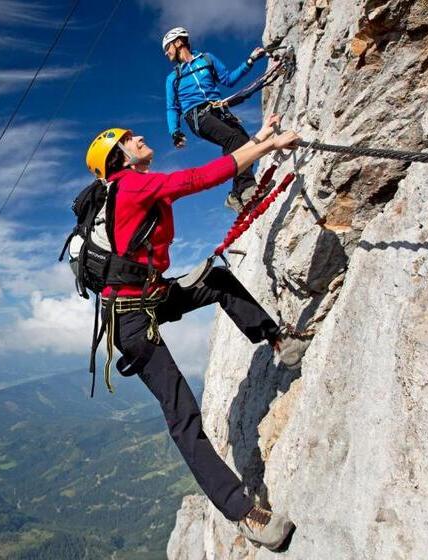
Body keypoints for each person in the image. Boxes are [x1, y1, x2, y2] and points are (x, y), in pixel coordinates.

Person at [84, 114, 310, 550]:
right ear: (120, 158)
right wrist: (266, 148)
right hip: (132, 319)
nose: (140, 138)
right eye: (130, 139)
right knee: (183, 414)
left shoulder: (130, 188)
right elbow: (198, 178)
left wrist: (259, 138)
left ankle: (279, 342)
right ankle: (244, 514)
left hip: (148, 297)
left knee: (217, 280)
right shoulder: (131, 186)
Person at [162, 26, 268, 212]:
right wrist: (175, 132)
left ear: (178, 42)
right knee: (232, 139)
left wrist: (250, 61)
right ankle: (247, 189)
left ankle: (235, 195)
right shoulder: (173, 77)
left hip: (218, 110)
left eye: (167, 47)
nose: (166, 53)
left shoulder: (207, 59)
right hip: (196, 116)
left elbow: (228, 79)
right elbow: (172, 107)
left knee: (244, 142)